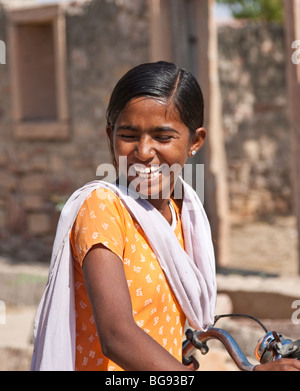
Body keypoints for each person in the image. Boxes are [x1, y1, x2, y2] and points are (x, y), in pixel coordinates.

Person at [31, 61, 300, 371]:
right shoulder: (102, 208)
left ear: (195, 142)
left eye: (163, 137)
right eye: (129, 135)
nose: (144, 151)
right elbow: (117, 336)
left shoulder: (182, 214)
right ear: (110, 136)